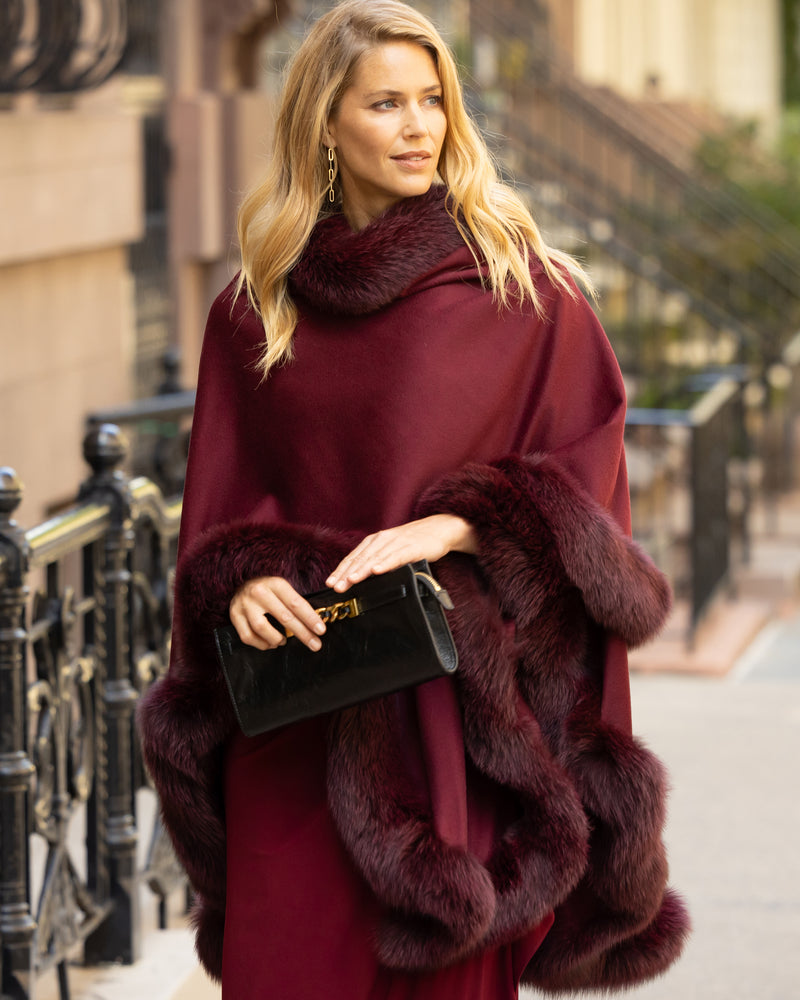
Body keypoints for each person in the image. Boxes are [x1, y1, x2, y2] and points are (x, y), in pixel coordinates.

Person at [138, 2, 689, 997]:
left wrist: (461, 523)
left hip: (451, 719)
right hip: (297, 713)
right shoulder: (253, 307)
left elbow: (589, 479)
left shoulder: (522, 288)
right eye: (384, 103)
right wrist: (239, 584)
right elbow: (217, 518)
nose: (417, 125)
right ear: (324, 126)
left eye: (431, 100)